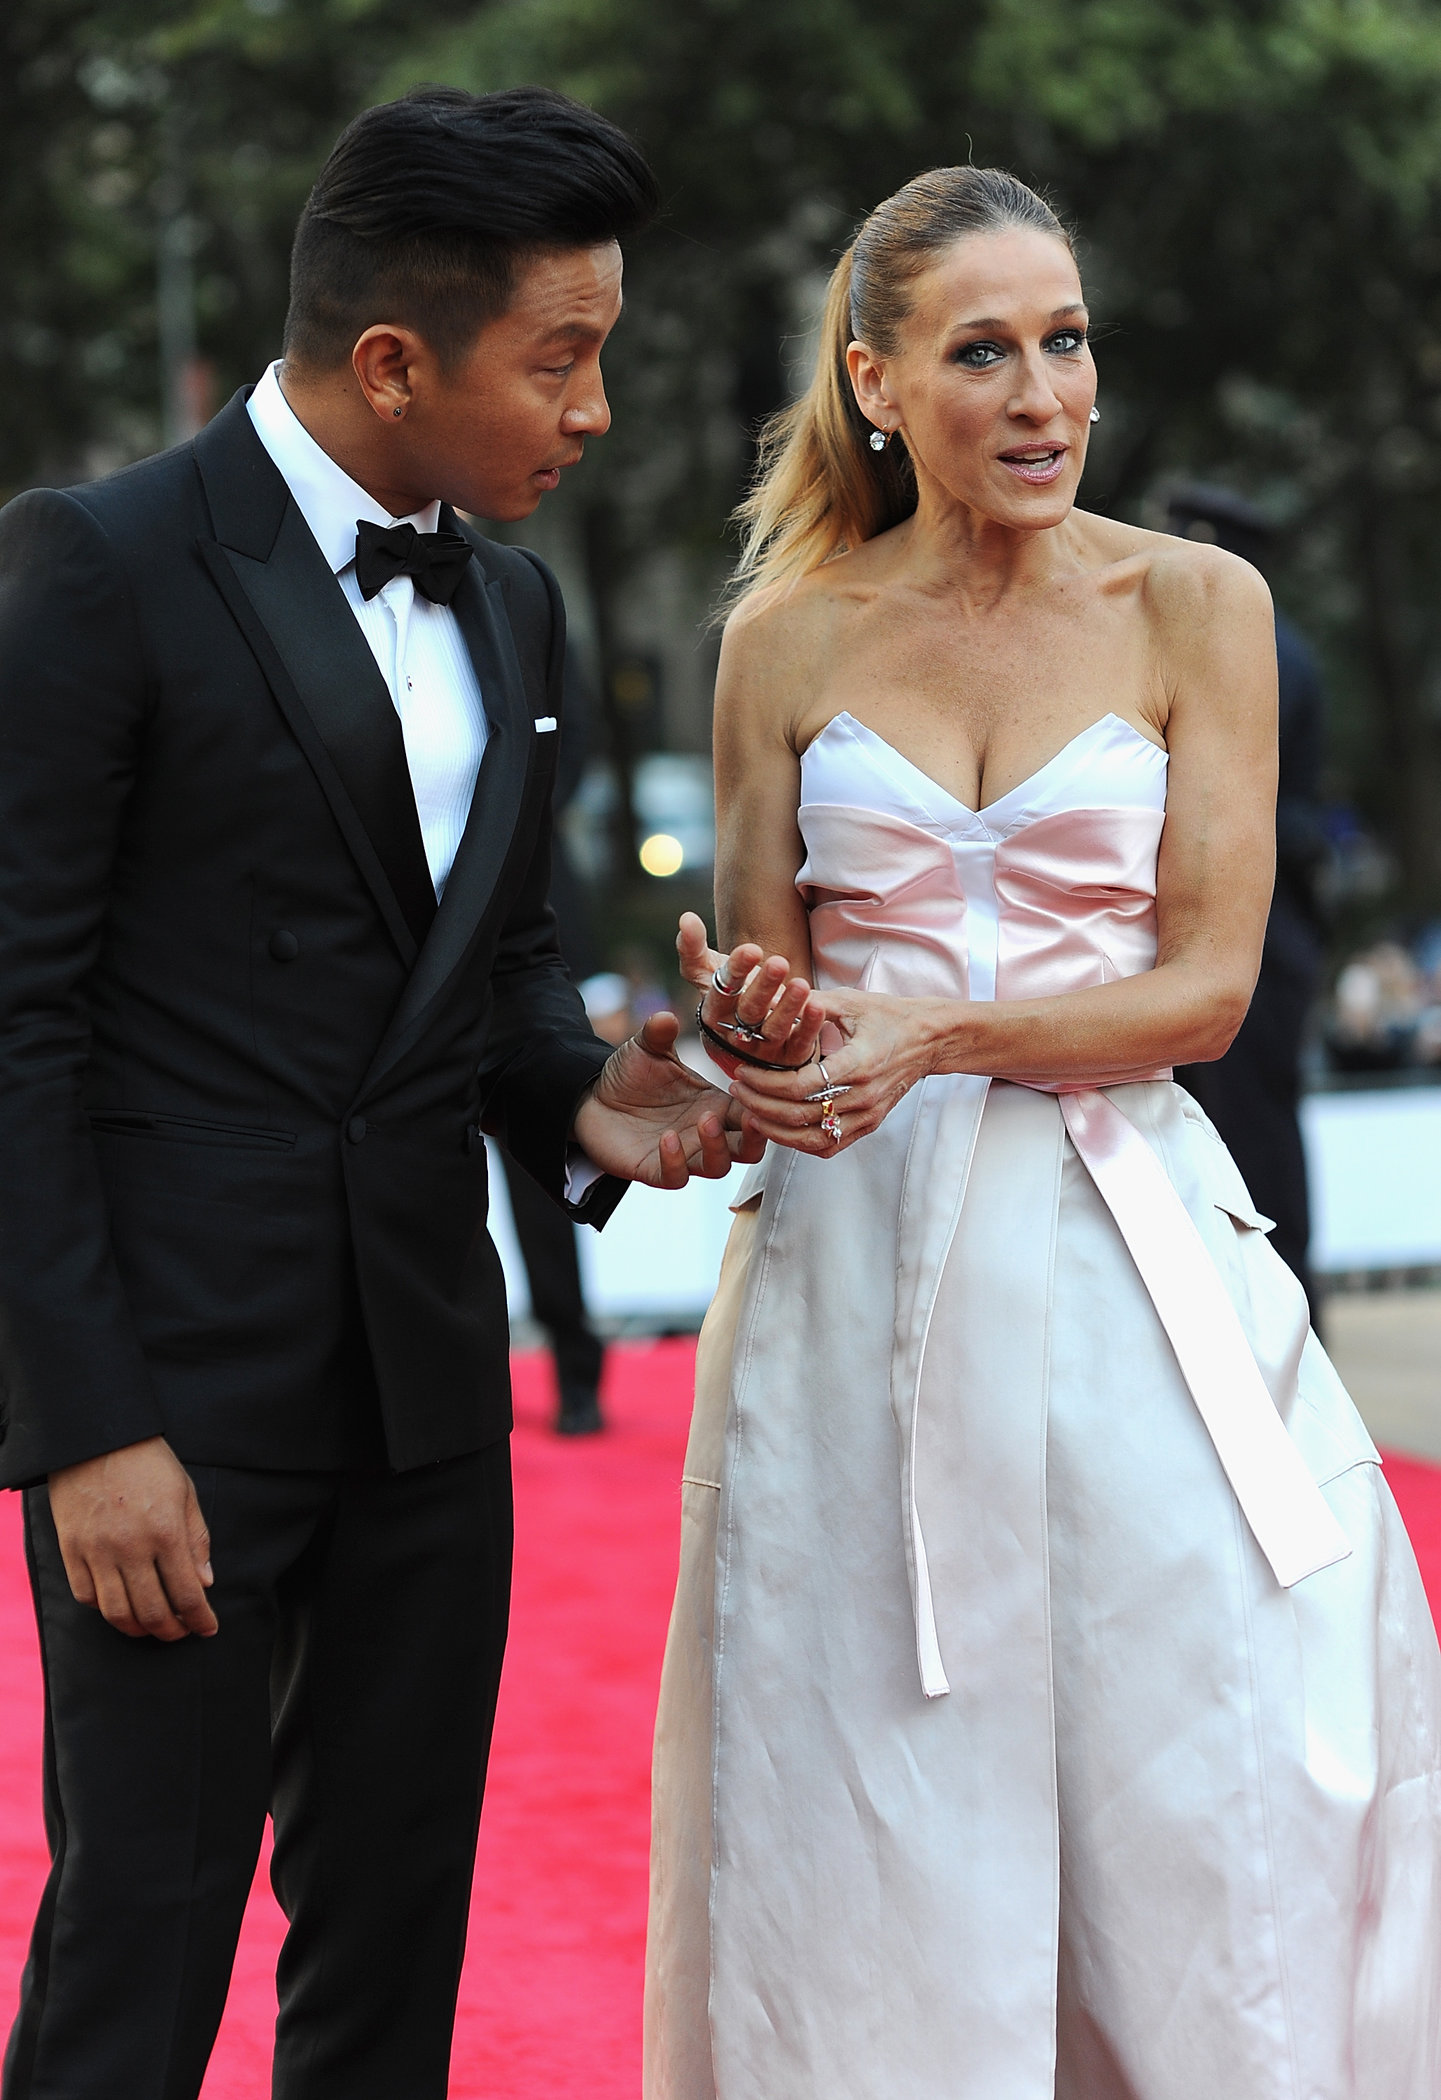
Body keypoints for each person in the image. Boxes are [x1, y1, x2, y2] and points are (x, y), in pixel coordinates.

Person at [646, 168, 1441, 2100]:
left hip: (1134, 1252)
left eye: (1065, 340)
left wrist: (941, 1036)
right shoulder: (781, 640)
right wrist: (754, 1027)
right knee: (863, 1780)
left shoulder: (1197, 603)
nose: (1039, 393)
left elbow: (1207, 992)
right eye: (981, 350)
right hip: (849, 1278)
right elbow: (773, 994)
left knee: (1221, 1737)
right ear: (875, 382)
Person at [0, 86, 759, 2100]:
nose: (593, 408)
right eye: (565, 356)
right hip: (173, 1406)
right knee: (138, 1945)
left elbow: (496, 975)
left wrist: (604, 1093)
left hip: (425, 1382)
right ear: (393, 357)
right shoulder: (98, 562)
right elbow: (17, 1026)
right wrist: (83, 1429)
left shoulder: (516, 599)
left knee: (397, 1930)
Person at [1168, 484, 1329, 1323]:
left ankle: (1282, 1313)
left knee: (1252, 1128)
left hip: (1259, 926)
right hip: (1245, 923)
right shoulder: (1246, 645)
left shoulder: (1261, 652)